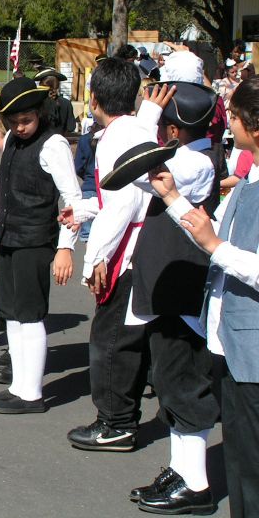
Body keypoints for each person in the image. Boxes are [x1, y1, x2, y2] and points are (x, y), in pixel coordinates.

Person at [148, 76, 259, 518]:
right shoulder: (248, 181)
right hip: (234, 343)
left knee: (251, 468)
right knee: (242, 461)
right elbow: (210, 233)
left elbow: (228, 251)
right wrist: (173, 199)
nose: (228, 124)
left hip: (252, 351)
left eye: (234, 117)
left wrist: (216, 246)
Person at [63, 60, 174, 451]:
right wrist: (84, 210)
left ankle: (115, 422)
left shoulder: (113, 138)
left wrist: (97, 257)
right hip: (144, 240)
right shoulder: (134, 127)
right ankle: (122, 416)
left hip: (127, 246)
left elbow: (122, 202)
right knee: (131, 334)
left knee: (112, 337)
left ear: (93, 99)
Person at [126, 82, 221, 514]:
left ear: (175, 129)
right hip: (168, 287)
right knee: (170, 380)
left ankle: (196, 484)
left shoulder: (195, 161)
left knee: (183, 383)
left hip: (183, 290)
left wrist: (145, 115)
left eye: (165, 121)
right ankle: (182, 469)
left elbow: (126, 165)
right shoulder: (190, 154)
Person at [0, 77, 81, 414]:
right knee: (12, 314)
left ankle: (32, 394)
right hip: (7, 237)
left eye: (27, 120)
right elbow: (1, 192)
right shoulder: (14, 145)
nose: (20, 128)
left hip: (35, 240)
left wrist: (66, 247)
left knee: (30, 315)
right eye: (14, 122)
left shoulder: (53, 145)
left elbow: (72, 198)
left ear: (39, 114)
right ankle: (18, 385)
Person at [35, 67, 77, 134]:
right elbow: (71, 127)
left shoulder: (37, 102)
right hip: (59, 141)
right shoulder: (66, 103)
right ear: (57, 86)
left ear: (41, 86)